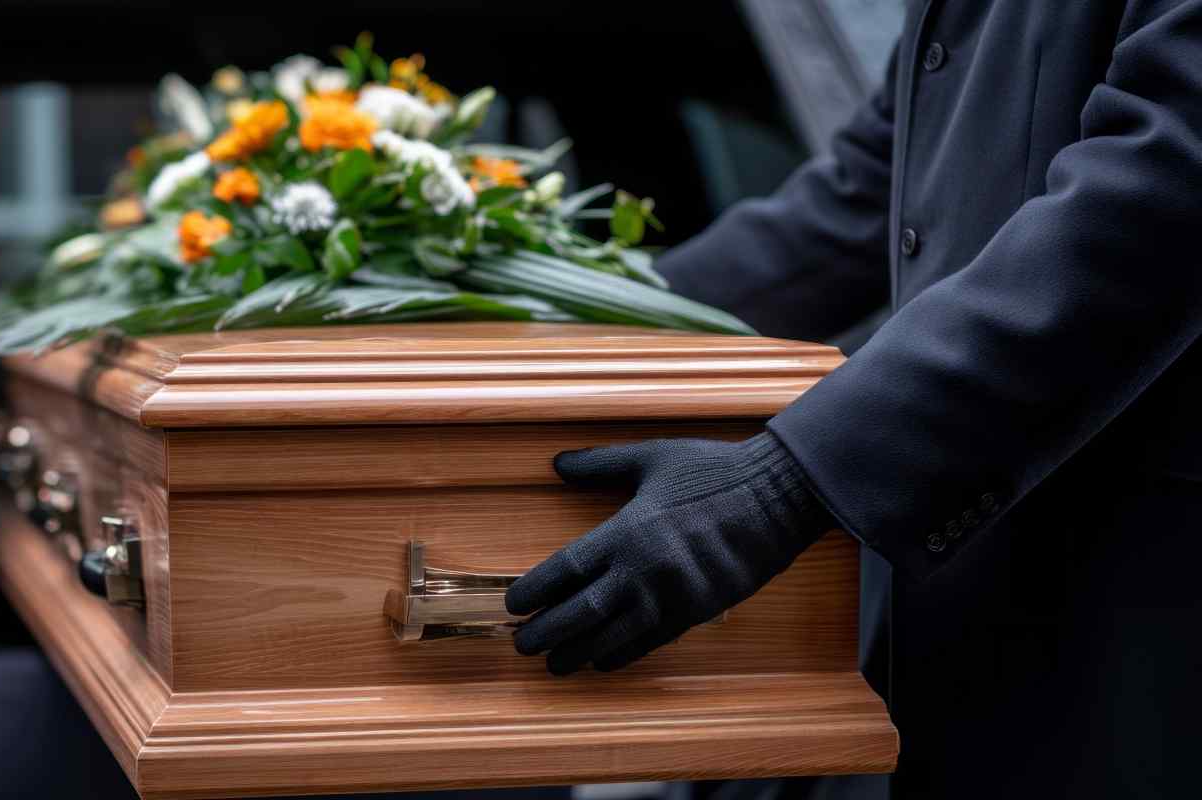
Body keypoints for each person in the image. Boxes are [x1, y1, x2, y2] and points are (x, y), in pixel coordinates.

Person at [507, 2, 1202, 797]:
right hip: (951, 613)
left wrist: (782, 488)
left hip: (1126, 602)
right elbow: (866, 192)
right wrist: (554, 315)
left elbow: (1163, 195)